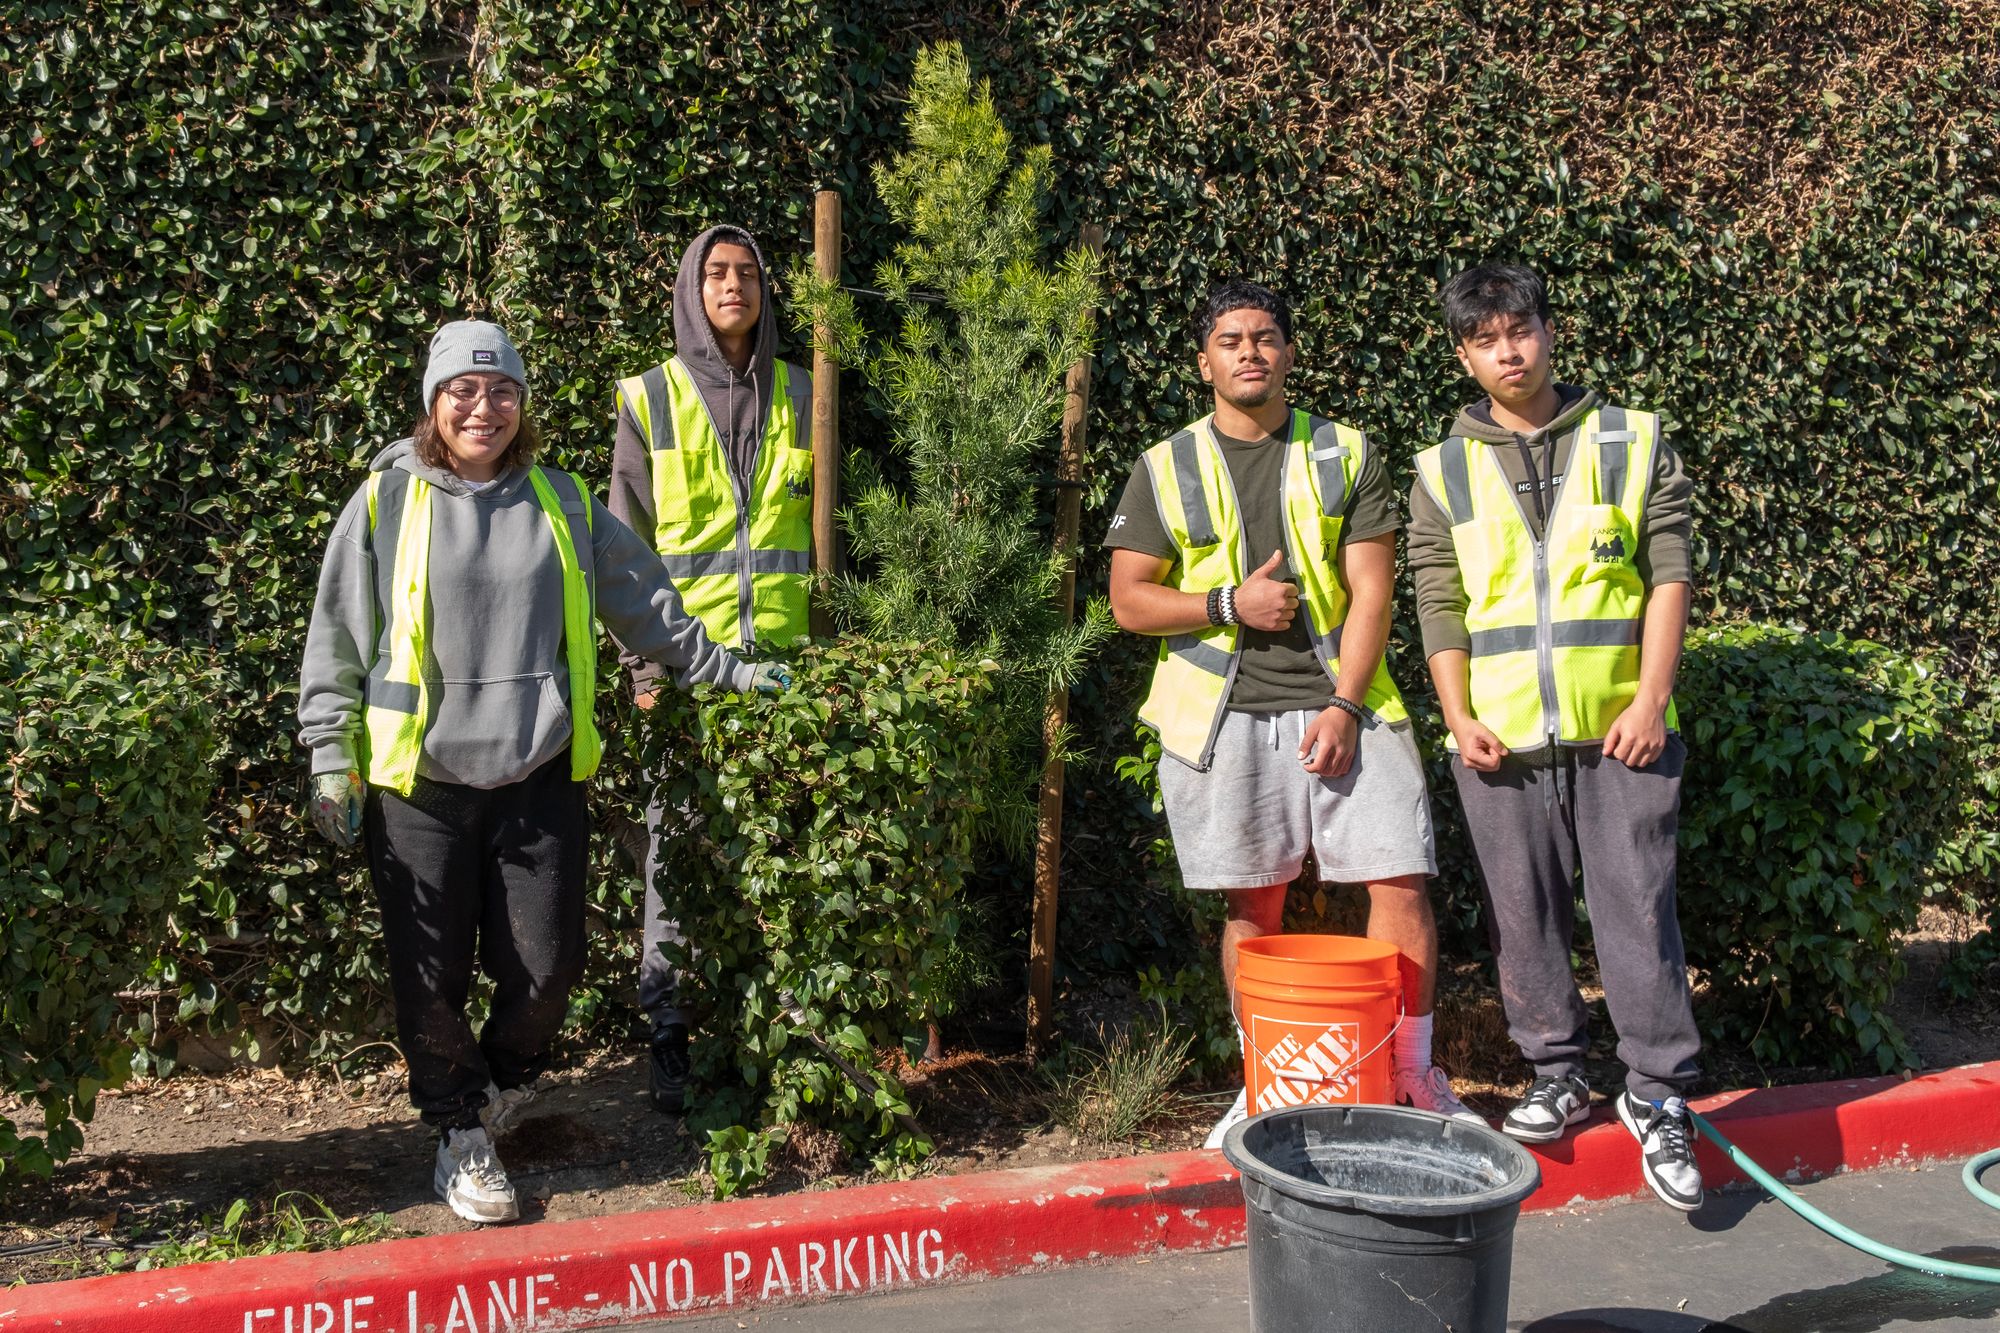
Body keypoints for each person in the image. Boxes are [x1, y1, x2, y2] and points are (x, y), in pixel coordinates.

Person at [298, 320, 783, 1225]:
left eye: (502, 390)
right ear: (433, 404)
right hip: (419, 787)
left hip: (538, 776)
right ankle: (459, 1133)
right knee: (429, 977)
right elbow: (337, 637)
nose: (483, 407)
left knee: (549, 972)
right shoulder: (384, 502)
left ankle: (491, 1088)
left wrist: (728, 668)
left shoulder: (559, 499)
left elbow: (648, 606)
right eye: (463, 391)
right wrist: (331, 757)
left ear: (522, 403)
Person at [1105, 279, 1481, 1148]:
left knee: (1398, 880)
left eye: (1265, 336)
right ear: (1205, 362)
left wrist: (1346, 704)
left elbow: (1374, 592)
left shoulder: (1345, 451)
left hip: (1350, 705)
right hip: (1219, 720)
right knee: (1252, 910)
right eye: (1230, 339)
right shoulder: (1166, 464)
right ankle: (1263, 1081)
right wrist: (1228, 604)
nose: (1249, 351)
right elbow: (1129, 601)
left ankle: (1412, 1071)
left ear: (1289, 354)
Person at [1407, 262, 1704, 1211]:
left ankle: (1658, 1095)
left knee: (1637, 908)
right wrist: (1456, 716)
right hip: (1498, 736)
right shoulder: (1439, 469)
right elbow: (1439, 600)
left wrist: (1652, 697)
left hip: (1622, 729)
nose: (1509, 351)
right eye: (1486, 338)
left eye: (1520, 329)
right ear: (1463, 354)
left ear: (1548, 330)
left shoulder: (1632, 437)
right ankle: (1558, 1072)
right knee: (1522, 917)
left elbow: (1669, 570)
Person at [609, 225, 813, 1116]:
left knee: (786, 852)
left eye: (748, 273)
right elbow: (624, 550)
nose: (734, 285)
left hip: (785, 669)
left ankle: (780, 1027)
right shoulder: (649, 397)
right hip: (683, 674)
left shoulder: (808, 392)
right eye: (716, 273)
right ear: (692, 289)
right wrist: (641, 674)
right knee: (676, 854)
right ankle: (670, 1030)